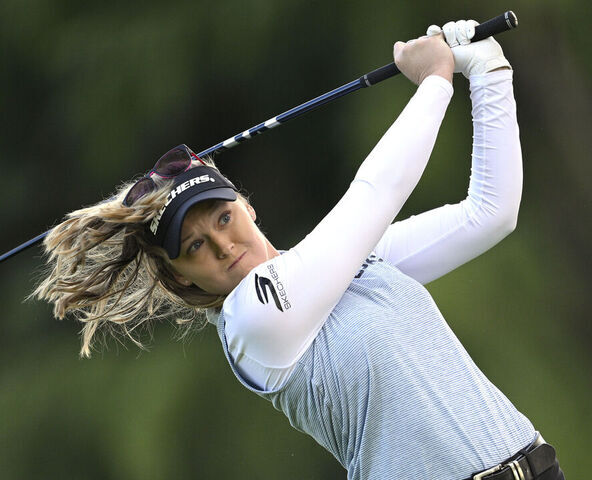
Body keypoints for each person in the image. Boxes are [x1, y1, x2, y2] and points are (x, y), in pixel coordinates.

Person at [34, 20, 565, 480]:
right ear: (181, 278)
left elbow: (490, 213)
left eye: (223, 217)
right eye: (195, 245)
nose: (222, 244)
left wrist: (489, 72)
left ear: (247, 206)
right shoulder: (251, 321)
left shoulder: (351, 263)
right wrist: (434, 81)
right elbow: (375, 193)